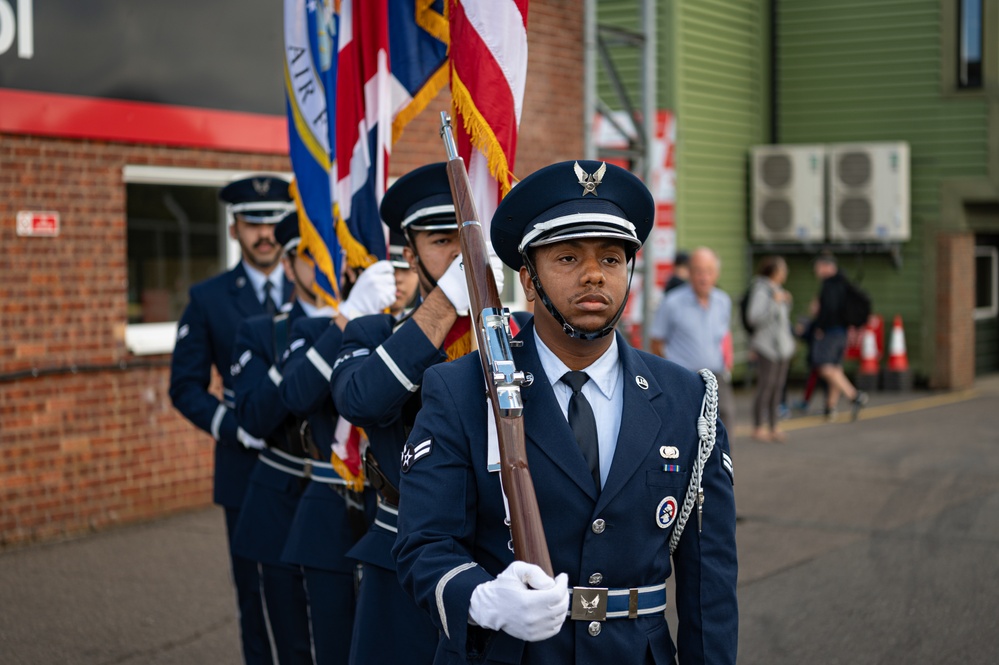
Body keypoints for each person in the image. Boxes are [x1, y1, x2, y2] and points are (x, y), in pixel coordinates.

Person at [393, 160, 738, 664]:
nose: (595, 273)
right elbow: (424, 546)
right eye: (568, 257)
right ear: (528, 281)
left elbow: (710, 583)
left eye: (613, 258)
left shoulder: (688, 399)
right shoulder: (462, 389)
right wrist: (481, 600)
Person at [330, 163, 505, 665]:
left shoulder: (515, 332)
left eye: (466, 238)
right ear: (410, 255)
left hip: (499, 555)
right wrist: (449, 298)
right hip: (403, 553)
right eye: (441, 240)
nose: (458, 253)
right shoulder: (370, 333)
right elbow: (361, 400)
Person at [230, 212, 396, 665]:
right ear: (287, 266)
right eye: (309, 254)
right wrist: (340, 323)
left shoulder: (379, 319)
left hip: (357, 501)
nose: (324, 264)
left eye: (332, 252)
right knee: (294, 645)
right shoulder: (267, 330)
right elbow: (260, 415)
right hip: (285, 500)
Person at [169, 174, 295, 665]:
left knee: (317, 591)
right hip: (246, 471)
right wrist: (231, 424)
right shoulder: (209, 298)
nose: (265, 235)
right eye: (252, 224)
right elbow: (184, 386)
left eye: (273, 224)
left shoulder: (317, 284)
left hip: (311, 469)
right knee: (256, 596)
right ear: (234, 230)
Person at [277, 231, 415, 665]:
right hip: (331, 511)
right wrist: (349, 316)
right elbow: (297, 396)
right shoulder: (318, 328)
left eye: (405, 268)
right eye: (385, 270)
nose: (397, 280)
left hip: (397, 517)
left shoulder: (441, 335)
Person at [648, 247, 736, 431]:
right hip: (684, 377)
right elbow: (656, 342)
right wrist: (670, 376)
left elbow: (725, 335)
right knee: (685, 428)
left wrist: (729, 361)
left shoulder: (723, 301)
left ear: (716, 274)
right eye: (699, 271)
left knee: (725, 421)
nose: (704, 277)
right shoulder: (672, 302)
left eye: (709, 271)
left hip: (716, 376)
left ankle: (723, 460)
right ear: (689, 273)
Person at [811, 252, 868, 420]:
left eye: (818, 267)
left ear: (826, 266)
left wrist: (820, 326)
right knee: (836, 367)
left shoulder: (830, 284)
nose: (816, 271)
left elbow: (829, 308)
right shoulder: (843, 282)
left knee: (825, 366)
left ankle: (854, 395)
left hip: (832, 332)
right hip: (842, 331)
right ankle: (830, 407)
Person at [746, 256, 796, 442]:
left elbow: (782, 321)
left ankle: (774, 426)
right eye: (783, 269)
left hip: (782, 347)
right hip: (766, 346)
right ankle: (758, 426)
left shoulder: (778, 290)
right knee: (766, 386)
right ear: (774, 271)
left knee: (778, 386)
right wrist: (773, 302)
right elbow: (754, 318)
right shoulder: (761, 290)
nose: (785, 273)